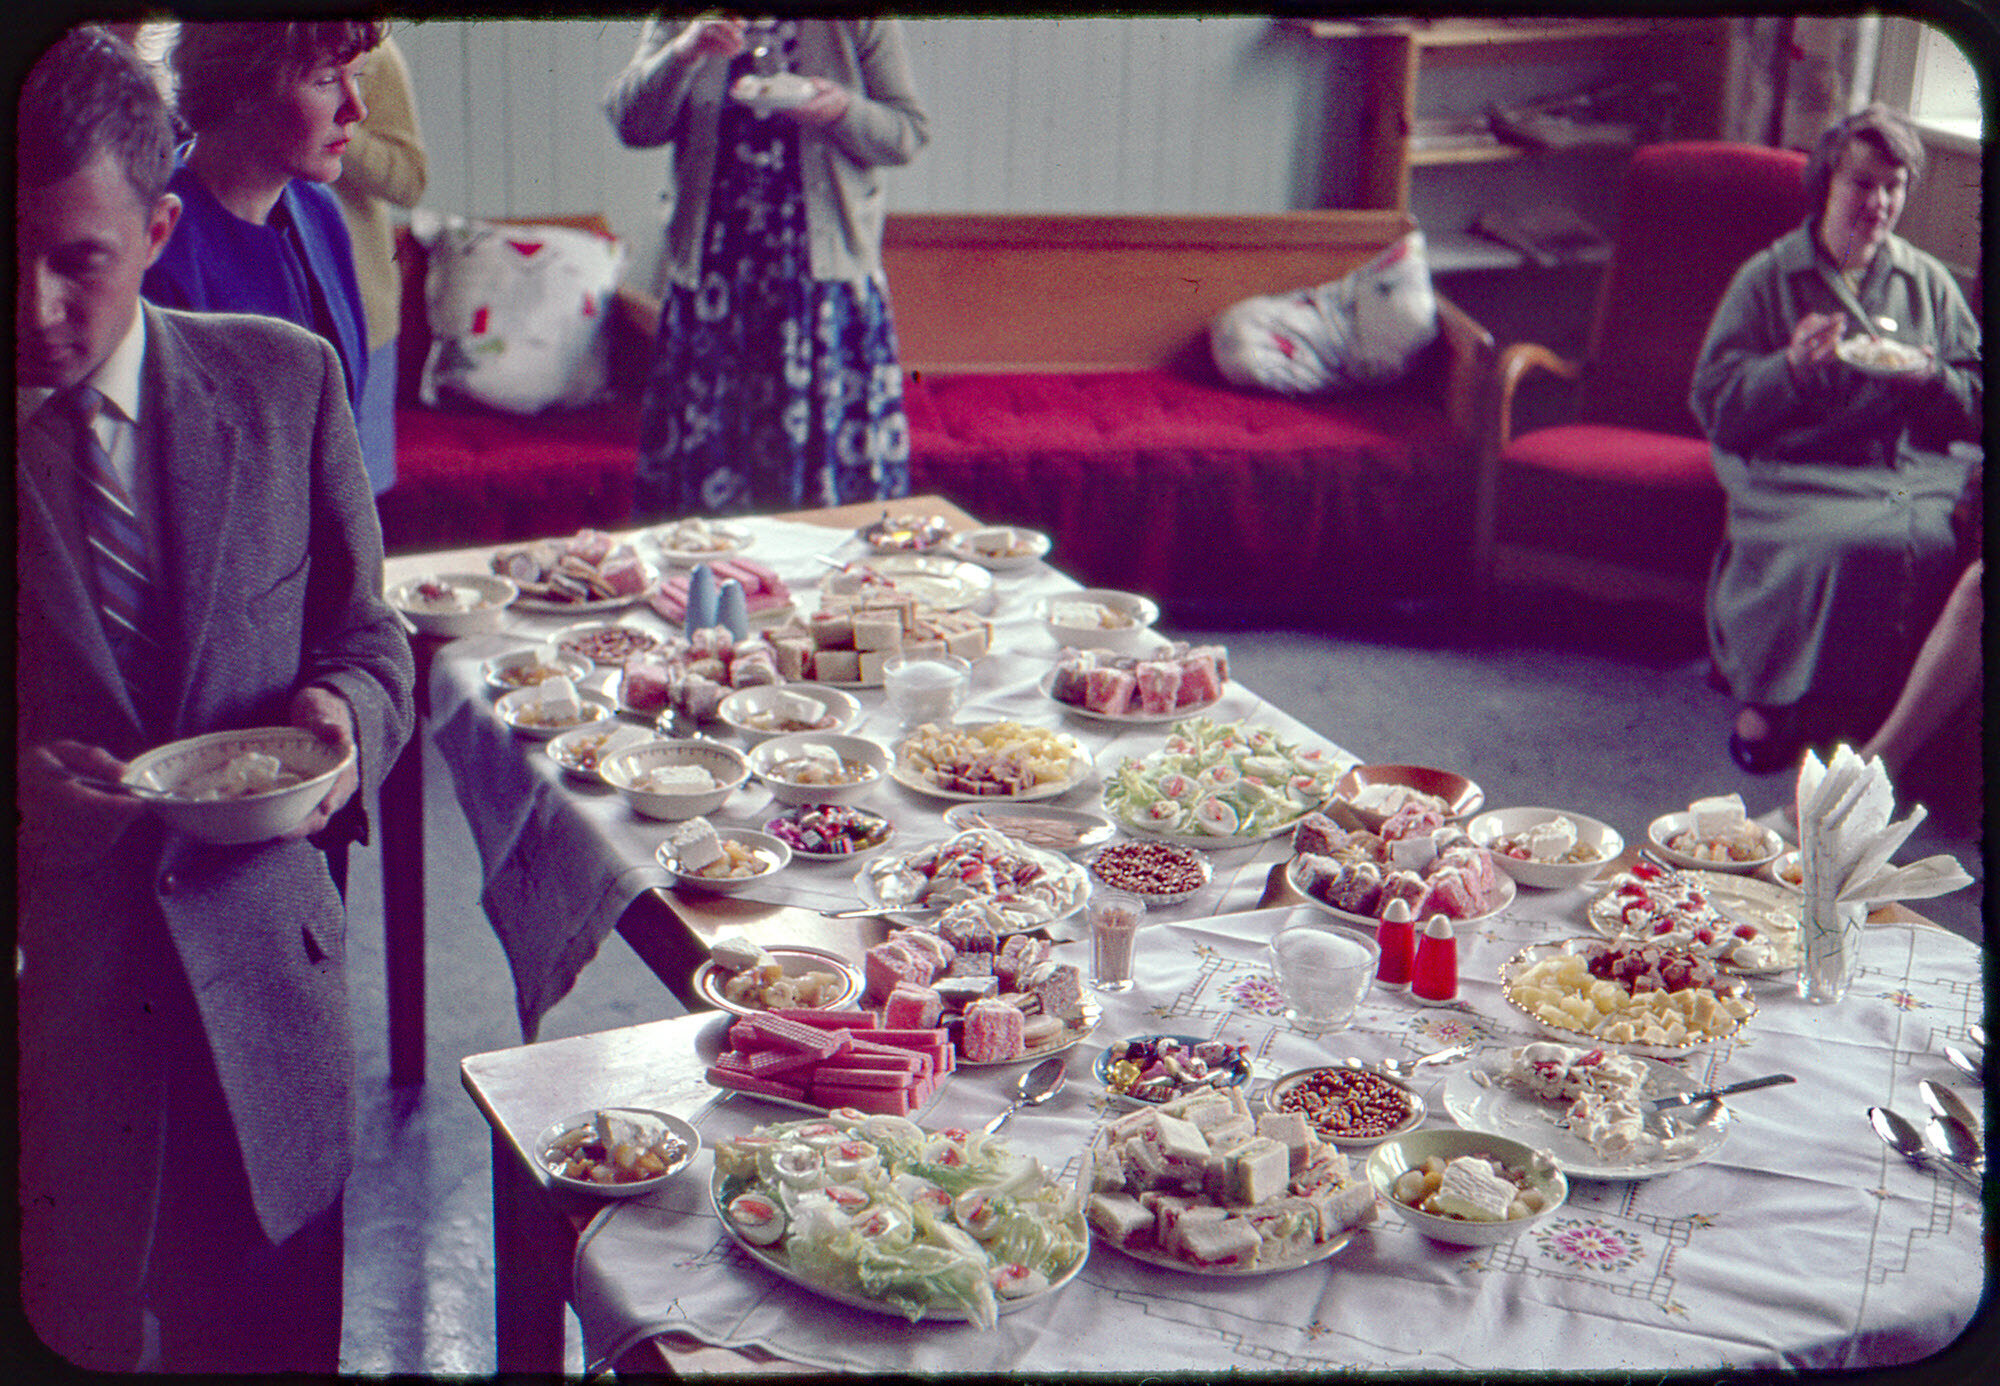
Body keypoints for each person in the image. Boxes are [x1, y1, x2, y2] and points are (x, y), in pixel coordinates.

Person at [16, 25, 414, 1372]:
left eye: (79, 262)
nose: (34, 310)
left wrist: (345, 720)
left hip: (267, 1002)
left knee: (272, 1335)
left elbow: (373, 638)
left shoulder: (284, 377)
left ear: (159, 227)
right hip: (57, 1019)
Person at [1690, 103, 1982, 774]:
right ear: (1826, 181)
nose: (1878, 201)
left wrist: (1932, 376)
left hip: (1897, 469)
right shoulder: (1767, 279)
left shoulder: (1927, 282)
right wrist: (1788, 369)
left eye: (1895, 184)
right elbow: (1716, 405)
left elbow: (1977, 396)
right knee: (1841, 545)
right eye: (1862, 183)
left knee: (1928, 540)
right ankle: (1779, 704)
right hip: (1789, 469)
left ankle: (1870, 717)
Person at [605, 14, 928, 517]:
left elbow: (906, 134)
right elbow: (632, 123)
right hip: (713, 286)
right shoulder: (687, 17)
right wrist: (682, 55)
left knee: (825, 494)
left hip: (822, 291)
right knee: (708, 490)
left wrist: (841, 109)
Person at [140, 19, 389, 490]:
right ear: (241, 87)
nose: (356, 109)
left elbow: (342, 440)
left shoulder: (319, 210)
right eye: (326, 81)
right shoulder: (156, 238)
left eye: (356, 77)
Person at [329, 31, 428, 495]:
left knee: (359, 509)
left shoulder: (371, 47)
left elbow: (410, 179)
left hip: (360, 318)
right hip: (250, 305)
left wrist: (329, 122)